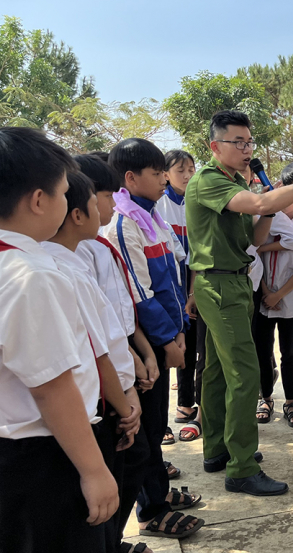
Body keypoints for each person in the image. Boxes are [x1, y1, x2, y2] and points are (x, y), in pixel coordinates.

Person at [185, 109, 293, 496]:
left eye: (249, 142)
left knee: (218, 372)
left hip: (235, 281)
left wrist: (270, 208)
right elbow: (256, 205)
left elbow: (254, 239)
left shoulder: (236, 182)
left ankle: (218, 450)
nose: (246, 149)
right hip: (219, 284)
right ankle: (241, 467)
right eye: (237, 142)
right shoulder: (209, 180)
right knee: (245, 374)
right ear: (214, 146)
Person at [0, 127, 118, 553]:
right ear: (38, 200)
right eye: (65, 193)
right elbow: (51, 387)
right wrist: (94, 470)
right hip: (41, 455)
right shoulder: (31, 275)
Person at [105, 138, 204, 539]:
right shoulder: (123, 224)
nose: (165, 178)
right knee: (145, 431)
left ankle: (158, 493)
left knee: (157, 422)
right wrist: (167, 341)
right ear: (130, 178)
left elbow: (174, 278)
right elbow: (140, 294)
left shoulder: (152, 217)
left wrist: (179, 330)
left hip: (168, 333)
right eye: (157, 172)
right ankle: (151, 511)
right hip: (148, 340)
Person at [73, 153, 166, 553]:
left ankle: (114, 540)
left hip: (125, 365)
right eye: (107, 196)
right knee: (122, 463)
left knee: (137, 454)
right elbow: (95, 339)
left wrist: (142, 352)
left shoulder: (99, 245)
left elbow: (120, 315)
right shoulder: (71, 259)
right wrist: (124, 392)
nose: (113, 203)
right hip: (107, 387)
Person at [254, 166, 293, 428]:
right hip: (263, 296)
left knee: (289, 352)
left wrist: (279, 295)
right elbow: (254, 255)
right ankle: (265, 398)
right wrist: (267, 292)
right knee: (262, 351)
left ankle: (290, 401)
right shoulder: (266, 216)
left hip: (290, 299)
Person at [156, 149, 202, 440]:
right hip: (169, 280)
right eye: (180, 170)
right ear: (165, 174)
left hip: (194, 279)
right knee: (172, 344)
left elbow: (197, 249)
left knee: (193, 342)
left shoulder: (197, 200)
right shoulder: (158, 204)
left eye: (190, 170)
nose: (187, 176)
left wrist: (192, 291)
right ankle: (176, 410)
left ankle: (189, 403)